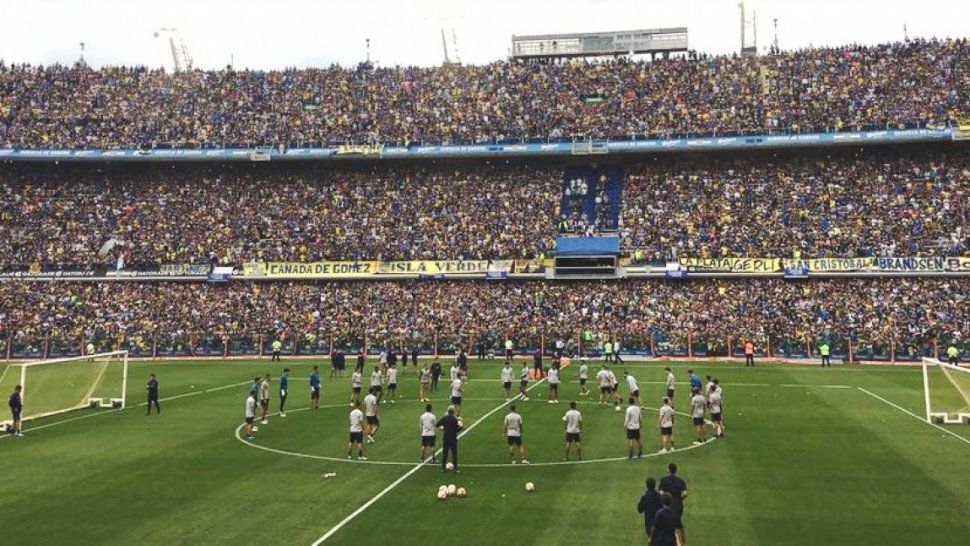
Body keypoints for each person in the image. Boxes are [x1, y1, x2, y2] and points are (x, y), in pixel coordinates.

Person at [436, 406, 462, 472]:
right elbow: (457, 429)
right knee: (454, 454)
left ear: (448, 411)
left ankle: (443, 468)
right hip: (453, 438)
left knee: (445, 453)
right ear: (453, 411)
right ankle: (455, 469)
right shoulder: (455, 419)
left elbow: (437, 424)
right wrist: (461, 426)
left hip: (446, 438)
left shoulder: (445, 418)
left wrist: (442, 428)